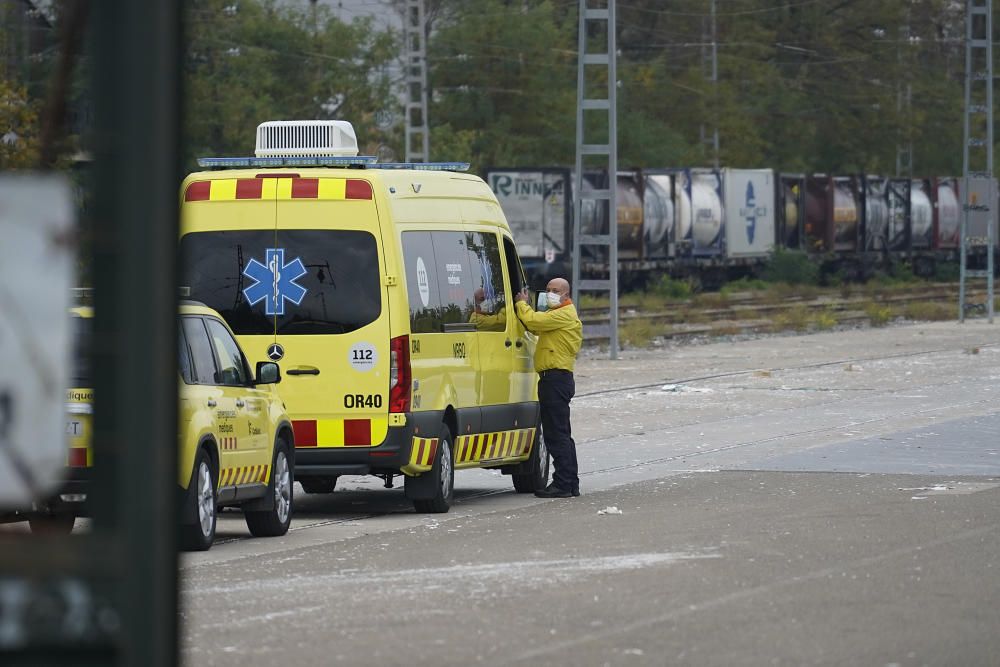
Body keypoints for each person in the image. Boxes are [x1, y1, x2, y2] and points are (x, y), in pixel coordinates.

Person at [514, 277, 583, 498]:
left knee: (555, 434)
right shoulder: (557, 316)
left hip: (555, 379)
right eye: (548, 290)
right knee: (562, 433)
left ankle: (563, 484)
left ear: (566, 294)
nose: (550, 293)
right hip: (556, 379)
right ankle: (570, 482)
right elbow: (536, 326)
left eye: (555, 290)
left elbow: (534, 322)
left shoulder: (564, 314)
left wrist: (521, 303)